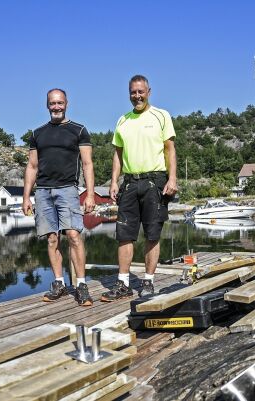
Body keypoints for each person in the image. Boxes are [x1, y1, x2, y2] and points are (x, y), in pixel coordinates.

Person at [101, 75, 177, 302]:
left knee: (152, 234)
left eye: (141, 92)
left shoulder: (161, 116)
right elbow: (117, 154)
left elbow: (170, 149)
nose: (137, 96)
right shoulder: (122, 120)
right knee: (124, 235)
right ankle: (123, 283)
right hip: (130, 183)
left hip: (155, 181)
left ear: (149, 92)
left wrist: (172, 178)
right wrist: (114, 181)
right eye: (133, 92)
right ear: (129, 94)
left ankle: (148, 281)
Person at [23, 88, 96, 306]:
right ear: (47, 105)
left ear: (66, 104)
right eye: (52, 103)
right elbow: (32, 166)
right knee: (52, 238)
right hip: (43, 191)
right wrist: (26, 196)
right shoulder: (37, 134)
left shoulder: (79, 130)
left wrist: (90, 194)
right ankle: (59, 283)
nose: (56, 107)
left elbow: (87, 164)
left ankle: (81, 285)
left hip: (67, 190)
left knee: (73, 235)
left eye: (60, 103)